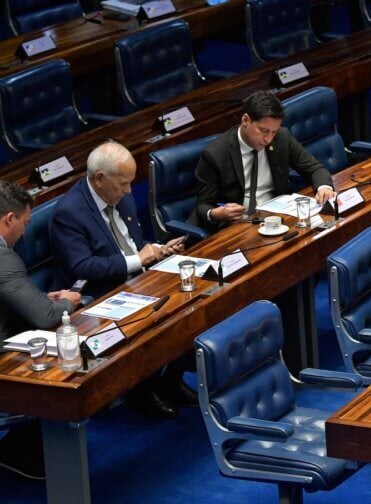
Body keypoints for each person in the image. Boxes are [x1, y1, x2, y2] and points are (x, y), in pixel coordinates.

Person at [49, 141, 187, 419]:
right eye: (123, 184)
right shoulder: (69, 213)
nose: (128, 191)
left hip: (135, 279)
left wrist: (157, 251)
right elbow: (83, 266)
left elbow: (131, 244)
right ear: (99, 179)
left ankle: (171, 380)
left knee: (190, 302)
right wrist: (140, 259)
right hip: (98, 294)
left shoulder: (117, 196)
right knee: (153, 317)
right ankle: (141, 392)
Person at [0, 181, 82, 481]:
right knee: (61, 359)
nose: (24, 233)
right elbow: (46, 316)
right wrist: (68, 303)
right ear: (10, 218)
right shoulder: (3, 256)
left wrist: (37, 300)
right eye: (24, 223)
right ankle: (19, 448)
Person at [190, 91, 334, 232]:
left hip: (278, 219)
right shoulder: (215, 154)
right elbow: (203, 205)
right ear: (246, 120)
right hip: (238, 227)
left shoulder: (282, 138)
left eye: (273, 132)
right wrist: (216, 214)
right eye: (264, 130)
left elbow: (314, 168)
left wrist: (323, 187)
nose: (268, 139)